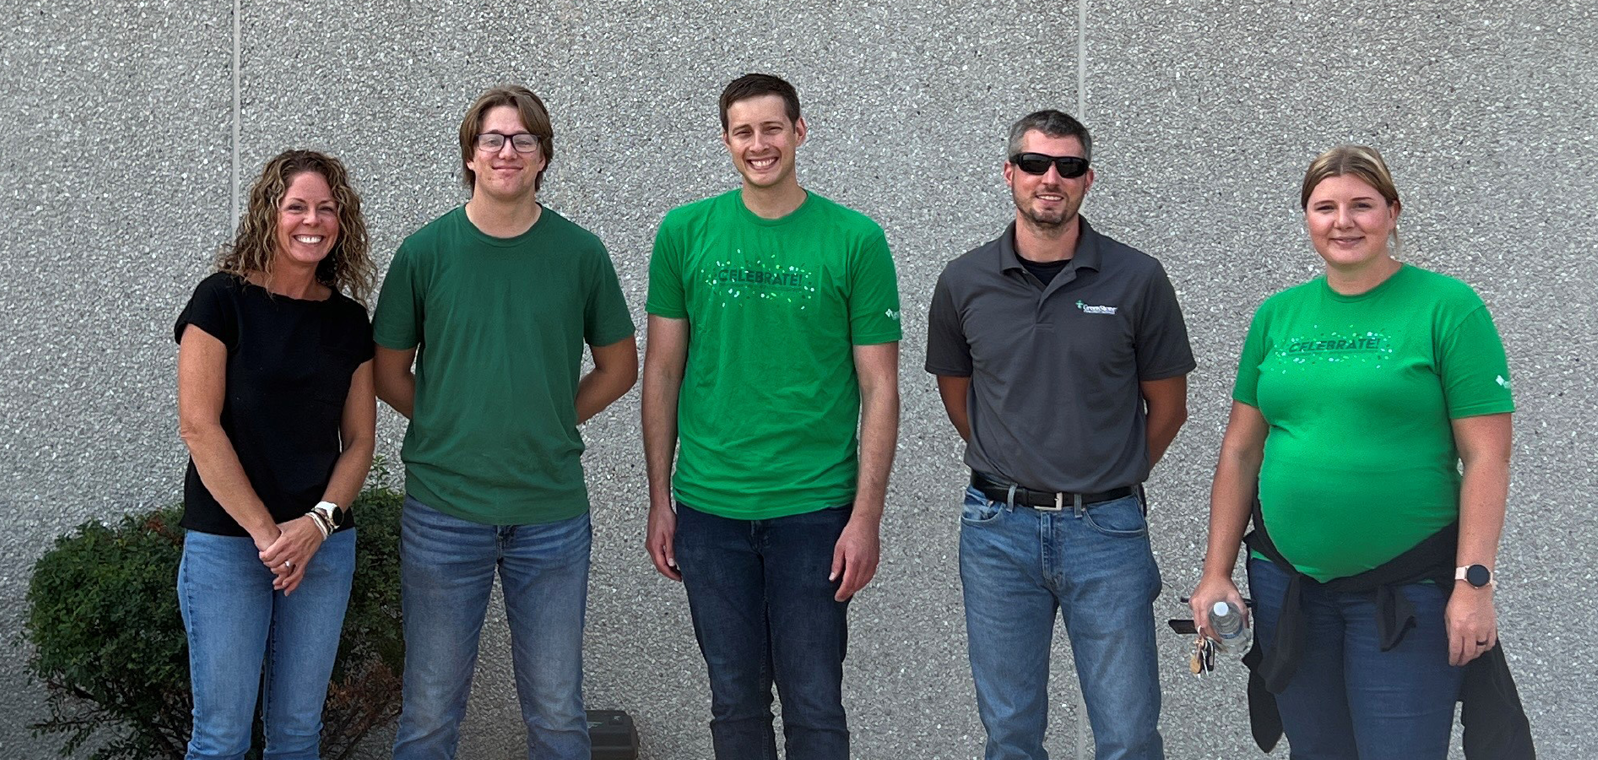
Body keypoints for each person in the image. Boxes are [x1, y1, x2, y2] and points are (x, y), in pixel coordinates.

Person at [1188, 144, 1529, 758]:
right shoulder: (1277, 316)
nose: (1343, 221)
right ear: (1307, 218)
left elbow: (1487, 459)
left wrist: (1473, 583)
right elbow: (1240, 452)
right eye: (1325, 207)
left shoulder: (1448, 309)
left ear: (1392, 213)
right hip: (1288, 587)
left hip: (1410, 592)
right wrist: (1217, 572)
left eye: (1362, 205)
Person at [372, 85, 637, 760]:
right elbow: (386, 371)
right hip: (443, 510)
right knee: (430, 714)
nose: (507, 151)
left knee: (556, 712)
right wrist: (451, 422)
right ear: (468, 155)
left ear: (544, 156)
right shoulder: (425, 252)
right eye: (492, 138)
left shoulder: (580, 253)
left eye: (523, 140)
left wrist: (547, 417)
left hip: (549, 516)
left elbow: (619, 367)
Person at [641, 72, 901, 760]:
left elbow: (881, 388)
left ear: (800, 131)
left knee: (815, 704)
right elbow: (662, 371)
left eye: (773, 128)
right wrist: (658, 500)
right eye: (744, 132)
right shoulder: (684, 232)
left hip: (815, 510)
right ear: (726, 141)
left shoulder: (855, 239)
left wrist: (866, 518)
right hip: (708, 508)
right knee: (734, 703)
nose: (760, 144)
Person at [925, 110, 1193, 760]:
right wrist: (1009, 460)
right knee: (1011, 734)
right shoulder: (964, 281)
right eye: (1037, 164)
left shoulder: (1138, 279)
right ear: (1010, 173)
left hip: (1107, 534)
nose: (1052, 178)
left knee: (1128, 737)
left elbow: (1169, 405)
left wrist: (1109, 469)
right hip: (996, 531)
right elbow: (959, 395)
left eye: (1068, 166)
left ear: (1087, 179)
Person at [174, 149, 377, 760]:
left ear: (341, 222)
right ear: (270, 212)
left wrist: (316, 526)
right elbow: (199, 427)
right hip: (230, 544)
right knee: (220, 738)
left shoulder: (348, 321)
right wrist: (270, 536)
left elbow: (361, 442)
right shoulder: (221, 301)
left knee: (296, 736)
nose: (311, 219)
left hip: (321, 547)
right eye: (297, 206)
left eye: (326, 207)